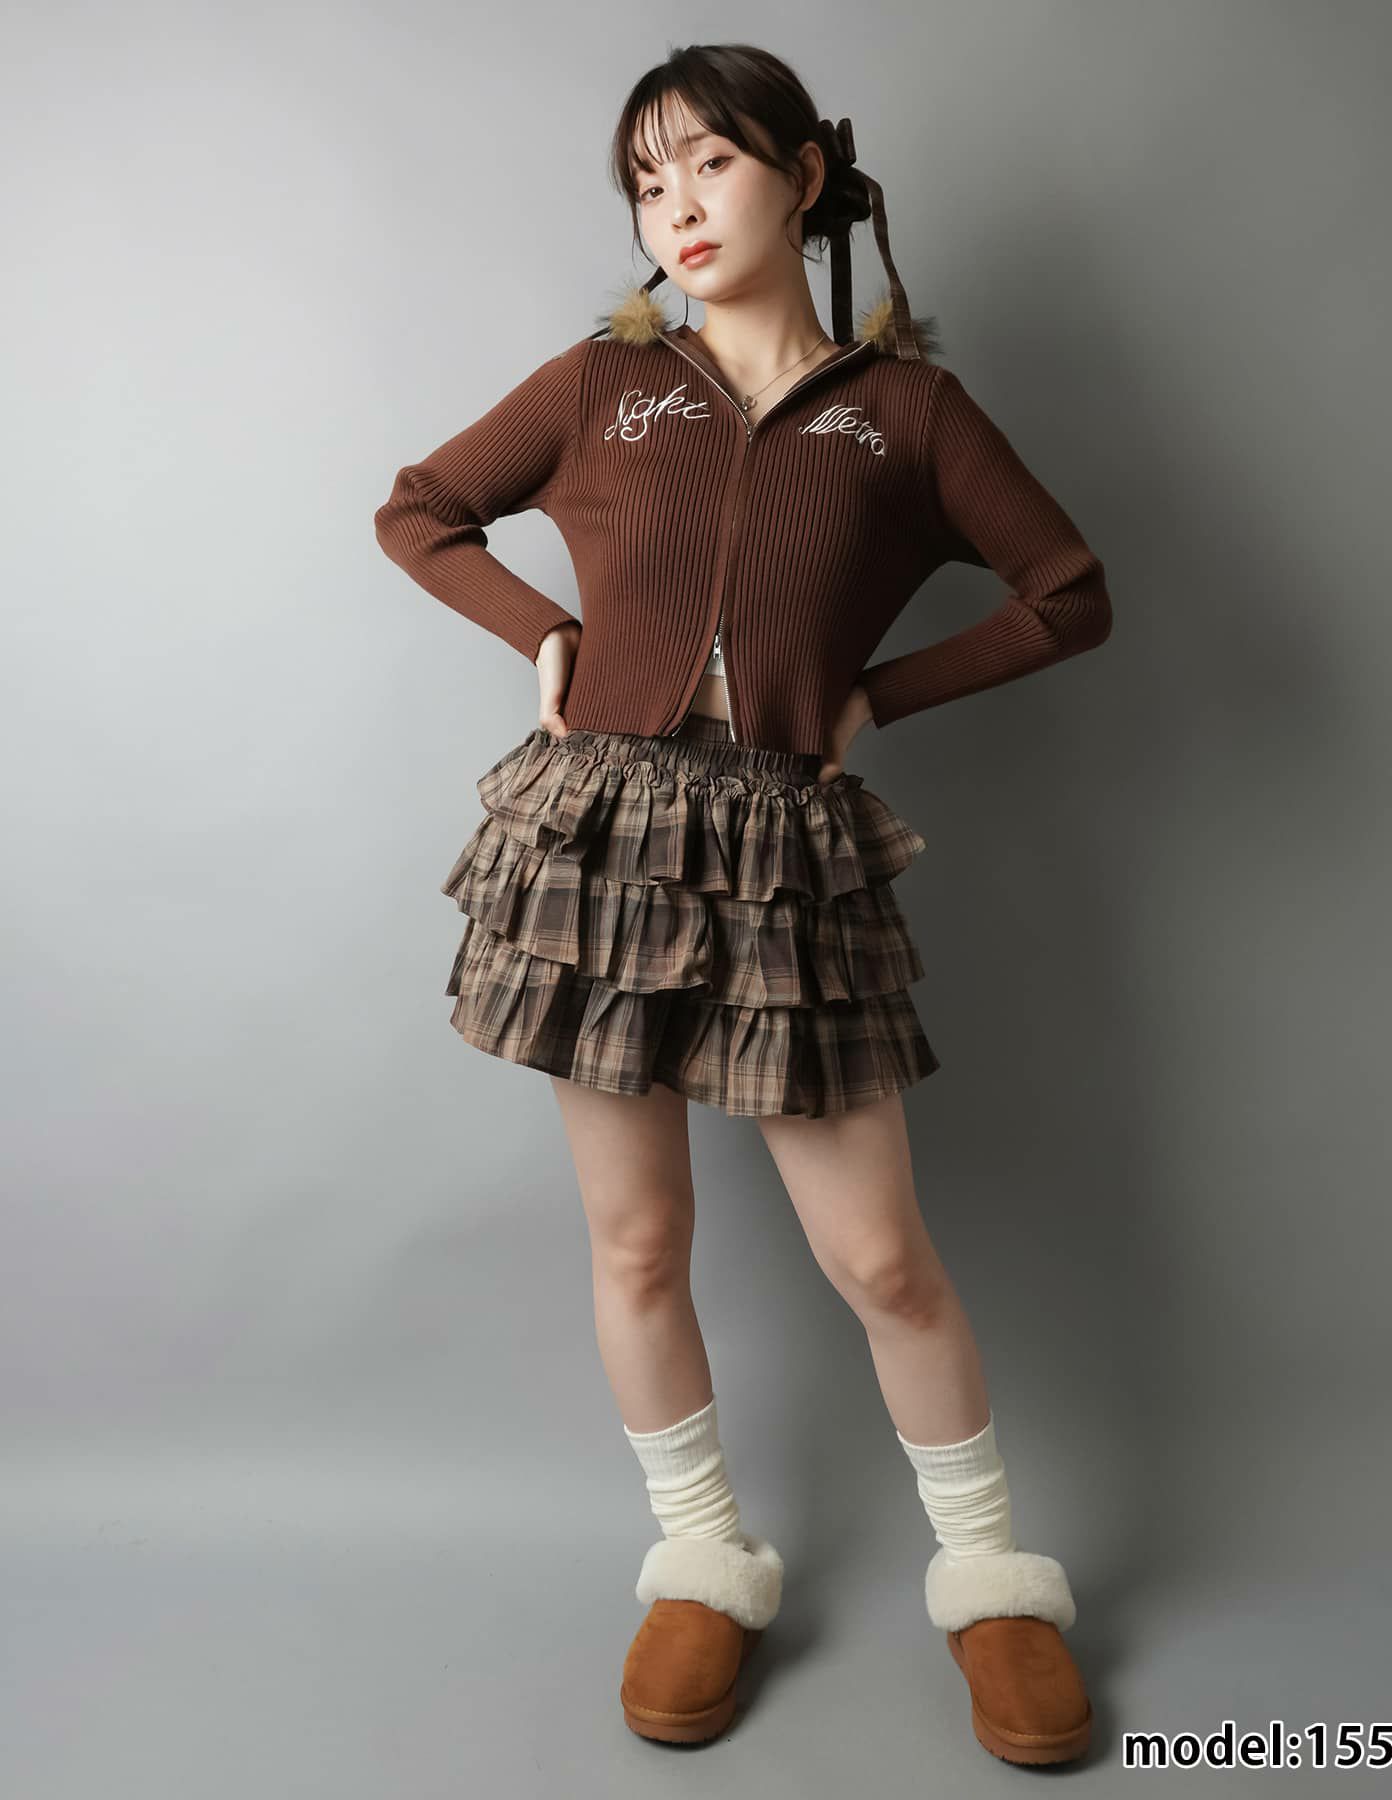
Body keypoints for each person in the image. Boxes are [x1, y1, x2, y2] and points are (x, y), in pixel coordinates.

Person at [374, 41, 1112, 1767]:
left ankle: (990, 1584)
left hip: (786, 853)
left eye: (708, 162)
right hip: (600, 841)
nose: (677, 208)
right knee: (638, 1241)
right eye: (647, 183)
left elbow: (1067, 592)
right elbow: (422, 511)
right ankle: (702, 1557)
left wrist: (879, 699)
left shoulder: (905, 414)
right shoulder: (607, 382)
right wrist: (545, 636)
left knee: (882, 1259)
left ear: (803, 175)